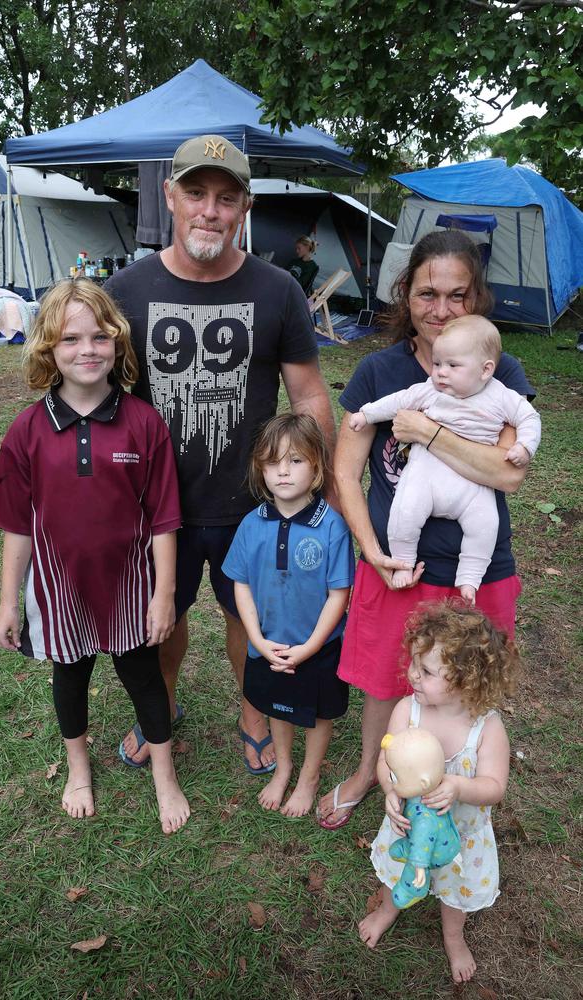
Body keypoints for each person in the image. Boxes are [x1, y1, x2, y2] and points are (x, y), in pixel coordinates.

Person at [105, 134, 336, 774]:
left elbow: (309, 391)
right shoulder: (124, 291)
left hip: (255, 500)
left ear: (245, 208)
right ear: (170, 197)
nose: (211, 211)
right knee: (164, 615)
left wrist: (324, 487)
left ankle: (253, 710)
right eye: (198, 194)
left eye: (227, 198)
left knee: (248, 613)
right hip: (159, 504)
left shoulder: (278, 289)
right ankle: (164, 705)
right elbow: (102, 399)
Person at [315, 229, 535, 830]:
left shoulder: (499, 372)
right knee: (388, 679)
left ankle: (458, 782)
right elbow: (346, 469)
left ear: (477, 299)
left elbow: (507, 475)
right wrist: (371, 548)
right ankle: (369, 771)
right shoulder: (379, 370)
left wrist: (428, 432)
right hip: (396, 563)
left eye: (458, 296)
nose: (441, 310)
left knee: (463, 685)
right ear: (405, 294)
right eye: (426, 294)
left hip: (476, 569)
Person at [0, 279, 190, 834]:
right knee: (69, 678)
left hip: (129, 586)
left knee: (144, 678)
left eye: (100, 336)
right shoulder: (27, 429)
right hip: (58, 587)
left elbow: (165, 518)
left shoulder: (143, 422)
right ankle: (79, 768)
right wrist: (9, 604)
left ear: (118, 343)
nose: (87, 349)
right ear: (48, 348)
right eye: (71, 339)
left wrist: (163, 594)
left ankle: (164, 775)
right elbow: (16, 526)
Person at [359, 600, 519, 985]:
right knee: (399, 867)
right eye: (414, 662)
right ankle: (387, 908)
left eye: (426, 670)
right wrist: (390, 788)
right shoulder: (407, 711)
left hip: (460, 835)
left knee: (454, 889)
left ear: (466, 679)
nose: (412, 674)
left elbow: (495, 787)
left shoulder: (487, 729)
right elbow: (387, 759)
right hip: (409, 828)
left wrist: (459, 786)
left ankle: (453, 935)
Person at [349, 315, 541, 602]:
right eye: (437, 364)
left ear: (486, 370)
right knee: (404, 512)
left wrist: (525, 446)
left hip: (473, 486)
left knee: (485, 526)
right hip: (426, 474)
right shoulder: (430, 390)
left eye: (452, 366)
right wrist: (366, 414)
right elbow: (397, 401)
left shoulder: (501, 396)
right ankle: (403, 562)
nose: (440, 372)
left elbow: (529, 418)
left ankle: (469, 579)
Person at [222, 414, 354, 815]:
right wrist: (257, 640)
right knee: (276, 706)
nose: (283, 471)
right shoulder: (251, 524)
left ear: (317, 467)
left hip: (318, 649)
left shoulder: (331, 527)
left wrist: (311, 647)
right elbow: (240, 583)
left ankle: (309, 776)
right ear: (260, 468)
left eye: (295, 460)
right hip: (269, 644)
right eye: (273, 461)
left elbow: (339, 594)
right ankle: (284, 766)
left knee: (317, 714)